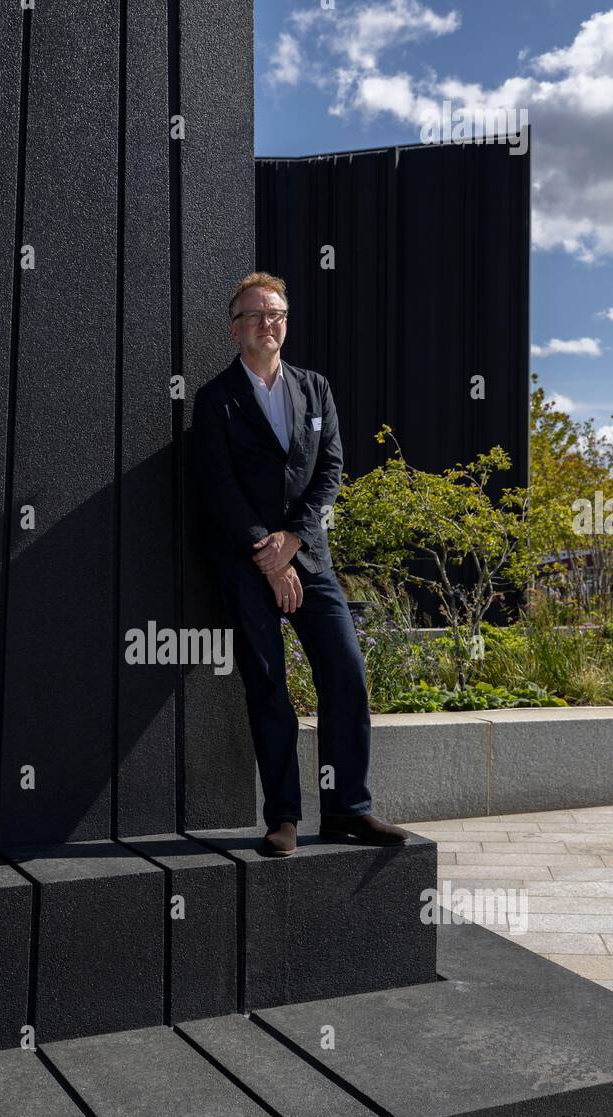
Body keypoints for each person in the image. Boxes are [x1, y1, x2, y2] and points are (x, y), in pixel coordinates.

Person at [191, 271, 409, 857]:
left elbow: (330, 472)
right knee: (268, 688)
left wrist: (293, 540)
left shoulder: (314, 388)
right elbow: (217, 485)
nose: (270, 322)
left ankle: (347, 809)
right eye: (258, 314)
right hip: (247, 563)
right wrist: (267, 552)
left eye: (278, 313)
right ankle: (283, 815)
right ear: (235, 328)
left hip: (310, 558)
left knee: (346, 672)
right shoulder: (214, 401)